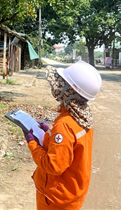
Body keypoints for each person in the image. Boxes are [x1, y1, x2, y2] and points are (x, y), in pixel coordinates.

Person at [24, 60, 102, 210]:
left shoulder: (65, 124)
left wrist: (32, 144)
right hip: (72, 192)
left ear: (69, 91)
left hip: (55, 198)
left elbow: (54, 166)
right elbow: (71, 147)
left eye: (61, 84)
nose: (55, 86)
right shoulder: (83, 116)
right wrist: (50, 134)